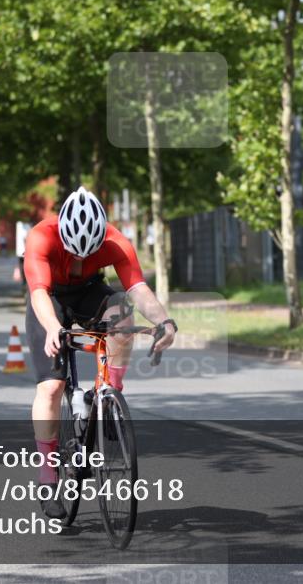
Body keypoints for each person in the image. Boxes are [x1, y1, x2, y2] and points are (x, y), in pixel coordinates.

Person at [23, 186, 177, 519]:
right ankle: (48, 476)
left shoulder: (116, 242)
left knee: (121, 312)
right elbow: (38, 292)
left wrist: (165, 321)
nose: (78, 259)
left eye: (86, 253)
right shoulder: (41, 237)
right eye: (73, 251)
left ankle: (108, 394)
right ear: (62, 232)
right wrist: (52, 327)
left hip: (90, 290)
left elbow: (137, 288)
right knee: (51, 386)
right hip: (51, 297)